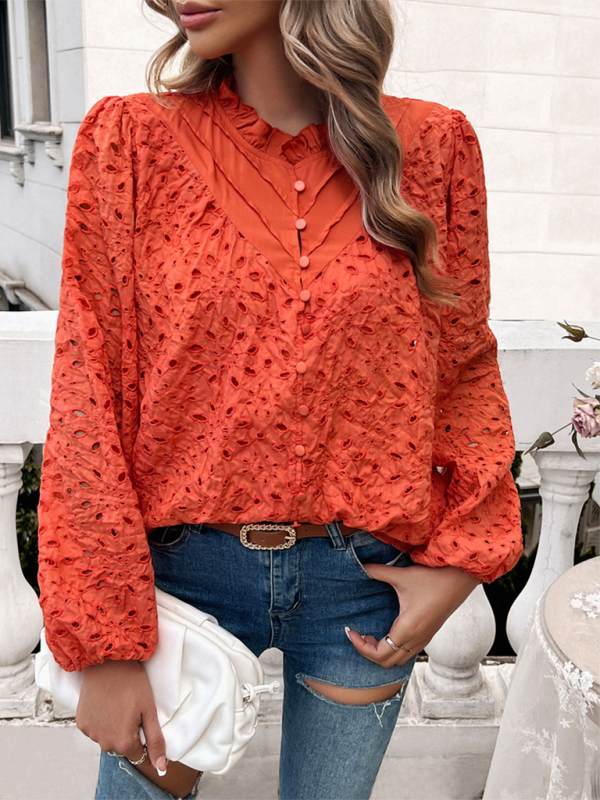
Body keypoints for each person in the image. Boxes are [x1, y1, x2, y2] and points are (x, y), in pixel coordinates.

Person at [36, 1, 523, 798]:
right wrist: (106, 643)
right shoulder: (129, 142)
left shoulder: (434, 149)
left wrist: (463, 564)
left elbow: (464, 367)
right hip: (177, 583)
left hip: (361, 583)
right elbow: (86, 388)